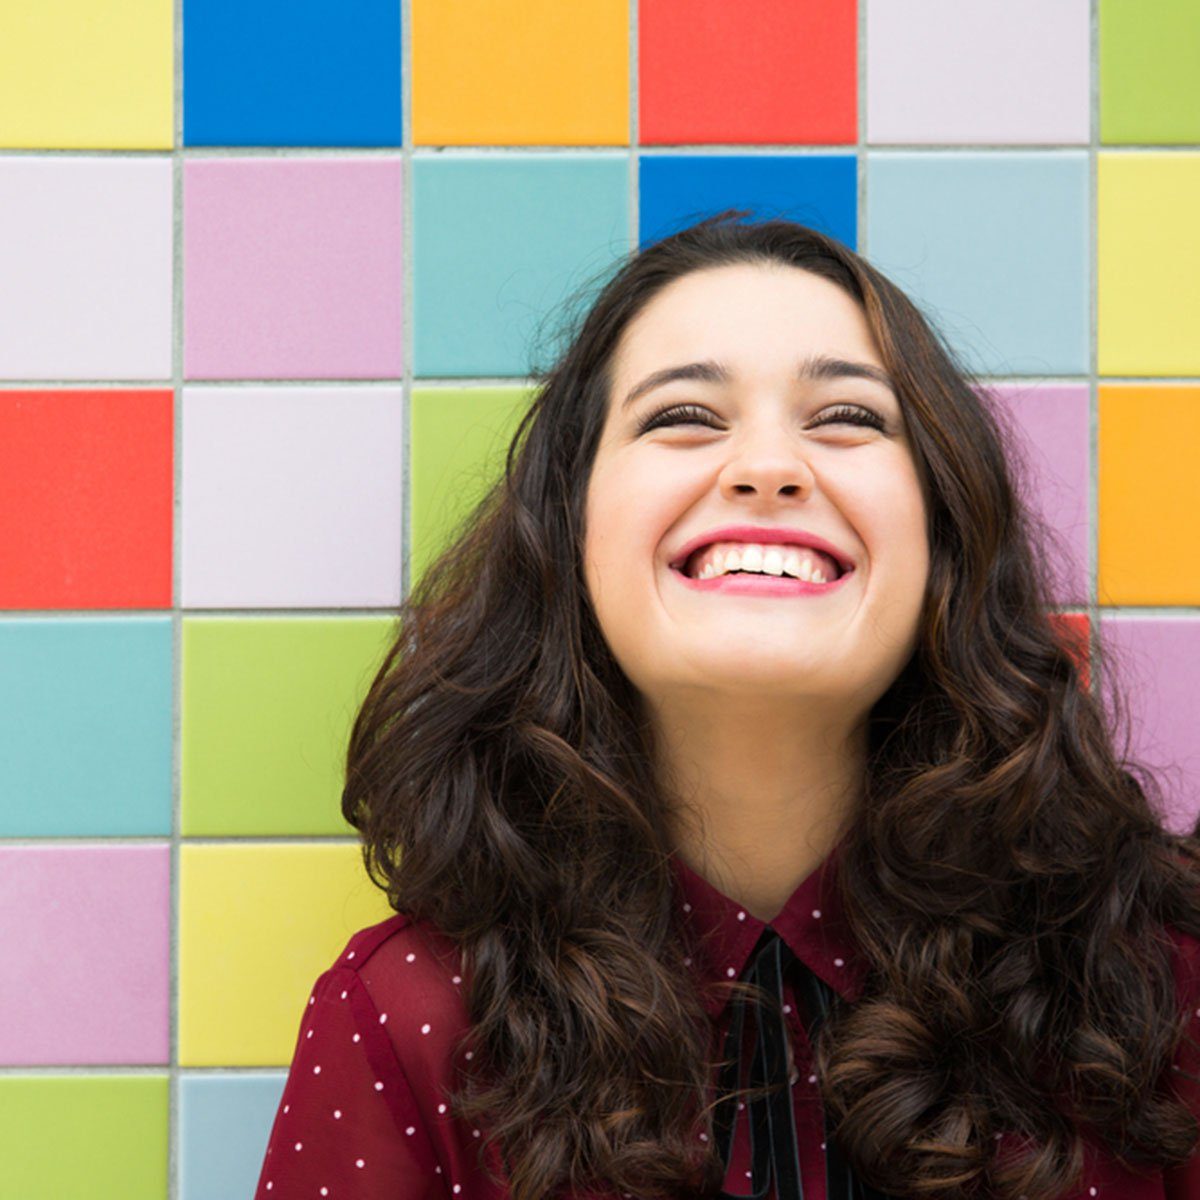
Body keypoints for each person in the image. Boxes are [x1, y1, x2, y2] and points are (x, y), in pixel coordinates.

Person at [253, 211, 1200, 1200]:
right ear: (571, 534)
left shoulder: (1162, 986)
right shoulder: (403, 1016)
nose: (766, 467)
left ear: (946, 539)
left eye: (848, 418)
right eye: (683, 418)